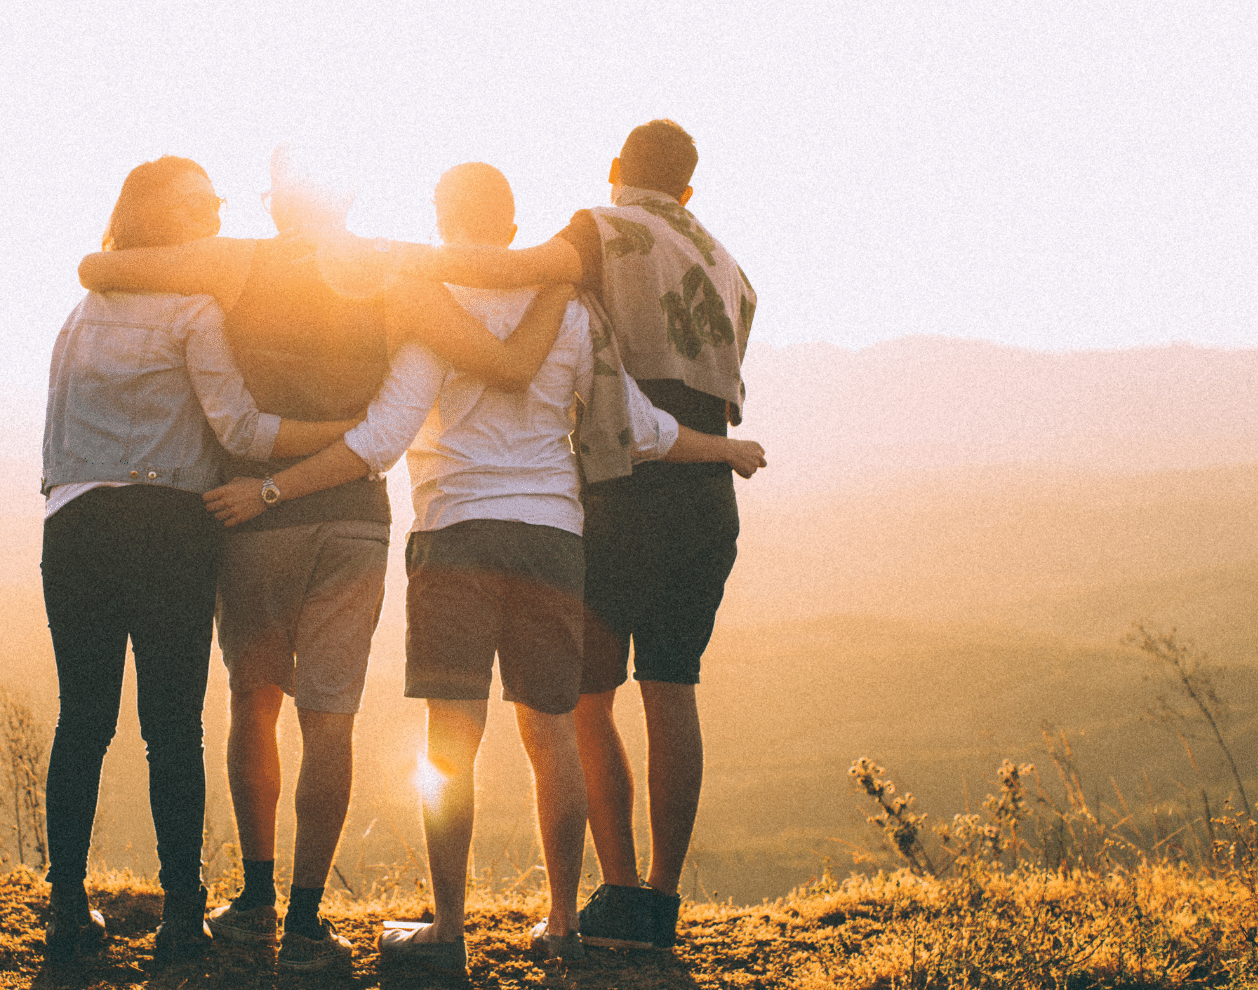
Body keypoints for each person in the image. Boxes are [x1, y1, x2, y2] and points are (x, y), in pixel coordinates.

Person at [206, 162, 764, 973]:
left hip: (455, 535)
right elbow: (640, 427)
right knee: (552, 738)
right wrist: (727, 449)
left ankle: (449, 929)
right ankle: (565, 923)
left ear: (441, 219)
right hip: (553, 540)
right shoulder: (571, 311)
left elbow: (382, 439)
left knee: (450, 745)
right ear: (511, 228)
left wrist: (271, 488)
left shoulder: (431, 307)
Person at [77, 144, 570, 971]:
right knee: (330, 719)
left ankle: (256, 896)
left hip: (252, 514)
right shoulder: (395, 279)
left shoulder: (234, 266)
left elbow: (99, 268)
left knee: (253, 702)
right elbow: (506, 363)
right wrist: (560, 278)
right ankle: (307, 920)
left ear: (277, 204)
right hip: (352, 520)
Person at [399, 121, 762, 950]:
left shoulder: (600, 229)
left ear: (614, 171)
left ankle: (616, 891)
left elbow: (517, 271)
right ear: (690, 189)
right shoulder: (730, 266)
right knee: (673, 687)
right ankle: (657, 904)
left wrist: (392, 260)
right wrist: (725, 450)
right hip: (703, 490)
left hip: (621, 485)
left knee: (582, 702)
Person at [38, 156, 363, 965]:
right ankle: (183, 916)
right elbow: (243, 433)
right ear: (167, 218)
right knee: (171, 728)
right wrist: (344, 435)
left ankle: (67, 909)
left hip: (73, 525)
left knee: (82, 720)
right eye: (204, 204)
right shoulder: (192, 311)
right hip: (168, 529)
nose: (218, 214)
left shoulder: (80, 314)